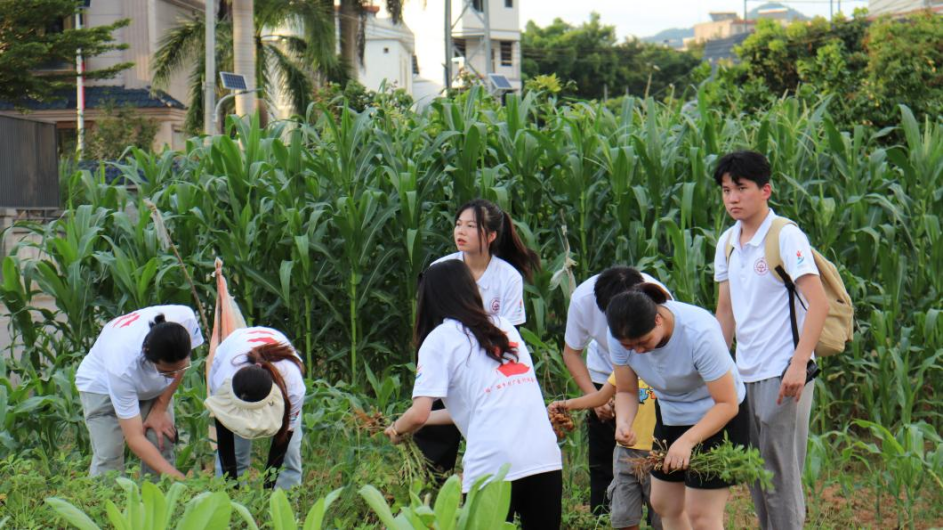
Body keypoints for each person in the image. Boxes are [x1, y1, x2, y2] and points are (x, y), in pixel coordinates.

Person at [384, 260, 562, 529]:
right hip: (544, 458)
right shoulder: (504, 326)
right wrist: (421, 423)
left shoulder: (440, 339)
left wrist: (398, 429)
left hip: (493, 466)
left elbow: (419, 413)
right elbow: (476, 406)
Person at [712, 151, 828, 530]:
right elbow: (725, 312)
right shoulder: (728, 242)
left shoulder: (785, 235)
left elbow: (819, 303)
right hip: (743, 375)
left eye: (741, 189)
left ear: (765, 190)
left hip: (783, 372)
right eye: (726, 190)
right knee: (756, 473)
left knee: (780, 474)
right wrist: (716, 369)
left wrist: (798, 364)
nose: (732, 198)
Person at [608, 284, 750, 530]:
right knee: (665, 504)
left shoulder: (699, 333)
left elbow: (727, 404)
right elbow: (626, 390)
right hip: (671, 413)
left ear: (658, 319)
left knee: (702, 515)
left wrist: (687, 441)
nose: (638, 351)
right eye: (630, 347)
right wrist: (623, 422)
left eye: (643, 342)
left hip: (716, 415)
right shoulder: (620, 337)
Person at [417, 198, 541, 476]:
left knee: (495, 444)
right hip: (448, 367)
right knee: (434, 452)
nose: (461, 231)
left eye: (471, 226)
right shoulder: (440, 269)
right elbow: (428, 324)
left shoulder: (508, 277)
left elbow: (510, 336)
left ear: (492, 235)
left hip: (491, 371)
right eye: (458, 224)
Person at [561, 266, 670, 514]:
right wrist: (595, 398)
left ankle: (659, 514)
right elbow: (571, 353)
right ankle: (602, 515)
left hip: (650, 373)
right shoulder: (583, 300)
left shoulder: (656, 295)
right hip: (604, 376)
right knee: (604, 455)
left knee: (656, 448)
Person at [75, 306, 204, 479]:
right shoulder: (122, 366)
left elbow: (177, 369)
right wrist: (177, 477)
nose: (173, 376)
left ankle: (161, 501)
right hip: (100, 386)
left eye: (179, 368)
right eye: (167, 372)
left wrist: (160, 408)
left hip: (149, 386)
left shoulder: (185, 321)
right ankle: (105, 502)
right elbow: (134, 438)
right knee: (109, 454)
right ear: (147, 355)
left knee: (161, 439)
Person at [548, 355, 662, 530]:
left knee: (664, 518)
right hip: (626, 453)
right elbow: (601, 396)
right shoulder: (629, 362)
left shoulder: (669, 365)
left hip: (660, 453)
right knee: (624, 517)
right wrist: (567, 404)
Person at [205, 326, 306, 489]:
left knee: (290, 453)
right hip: (232, 346)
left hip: (281, 382)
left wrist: (268, 487)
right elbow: (224, 439)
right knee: (236, 452)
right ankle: (224, 500)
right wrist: (231, 486)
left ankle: (285, 501)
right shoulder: (223, 379)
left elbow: (283, 440)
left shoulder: (293, 386)